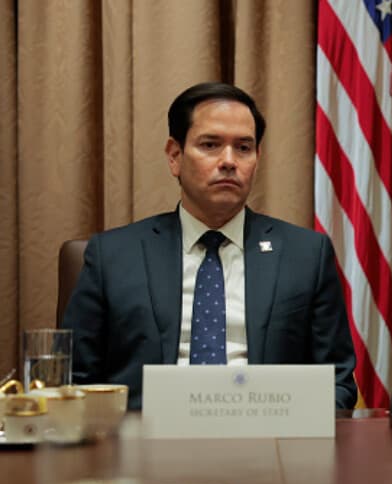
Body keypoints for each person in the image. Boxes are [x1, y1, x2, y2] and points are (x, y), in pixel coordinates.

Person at [62, 82, 357, 410]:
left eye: (244, 148)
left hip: (269, 444)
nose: (229, 161)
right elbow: (74, 380)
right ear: (175, 156)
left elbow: (337, 382)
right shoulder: (113, 256)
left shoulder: (306, 255)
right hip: (143, 446)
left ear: (257, 159)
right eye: (211, 145)